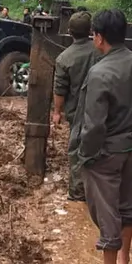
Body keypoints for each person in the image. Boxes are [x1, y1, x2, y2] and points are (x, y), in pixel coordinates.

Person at [74, 9, 132, 264]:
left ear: (98, 38)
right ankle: (123, 263)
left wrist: (85, 155)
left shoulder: (100, 72)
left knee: (106, 207)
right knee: (127, 203)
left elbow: (94, 124)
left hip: (107, 150)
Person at [51, 11, 97, 202]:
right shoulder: (101, 50)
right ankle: (99, 191)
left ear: (69, 31)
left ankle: (78, 192)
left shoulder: (64, 58)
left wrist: (57, 112)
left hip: (78, 113)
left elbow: (60, 90)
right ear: (91, 31)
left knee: (77, 151)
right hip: (102, 110)